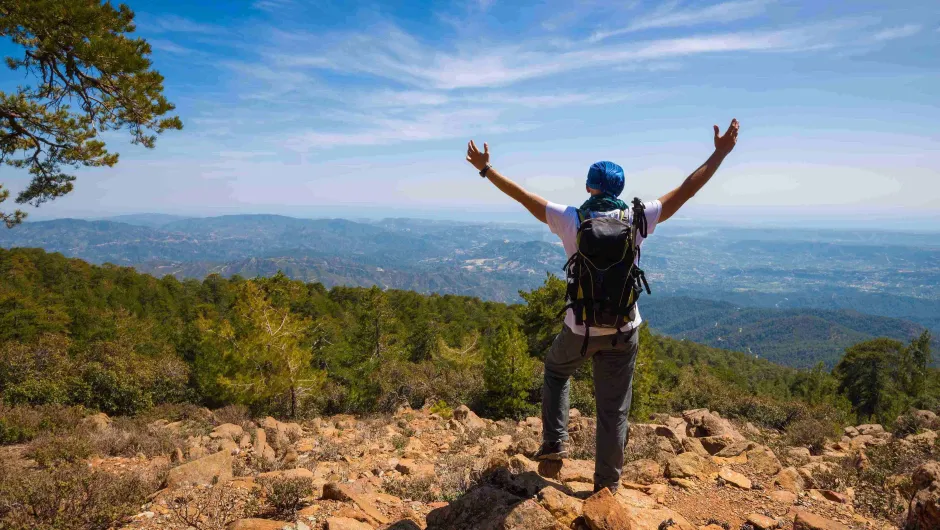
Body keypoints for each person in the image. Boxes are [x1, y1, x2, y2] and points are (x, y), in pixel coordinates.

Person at [465, 119, 740, 493]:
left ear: (590, 187)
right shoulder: (639, 217)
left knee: (556, 371)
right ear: (621, 189)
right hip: (624, 331)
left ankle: (554, 445)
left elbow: (522, 196)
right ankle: (606, 489)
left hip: (579, 329)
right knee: (613, 411)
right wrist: (720, 153)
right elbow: (687, 190)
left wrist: (486, 169)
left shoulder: (571, 218)